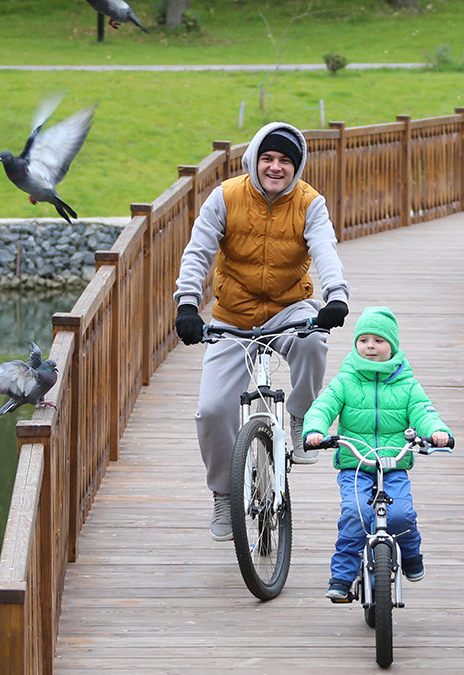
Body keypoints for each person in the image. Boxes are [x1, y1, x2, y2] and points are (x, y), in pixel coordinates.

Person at [174, 121, 351, 542]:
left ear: (297, 166)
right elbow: (198, 250)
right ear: (254, 160)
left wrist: (336, 296)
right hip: (232, 316)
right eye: (268, 158)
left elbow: (325, 248)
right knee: (213, 409)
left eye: (285, 161)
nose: (275, 167)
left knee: (313, 341)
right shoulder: (226, 197)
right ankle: (223, 494)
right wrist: (186, 304)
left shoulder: (311, 203)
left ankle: (299, 414)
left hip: (289, 309)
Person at [302, 306, 452, 602]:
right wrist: (315, 430)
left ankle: (410, 555)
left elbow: (424, 411)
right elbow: (323, 406)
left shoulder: (407, 384)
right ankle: (343, 576)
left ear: (392, 346)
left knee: (400, 514)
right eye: (364, 340)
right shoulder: (345, 380)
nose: (370, 346)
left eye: (378, 341)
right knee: (356, 513)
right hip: (355, 463)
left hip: (393, 465)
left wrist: (436, 431)